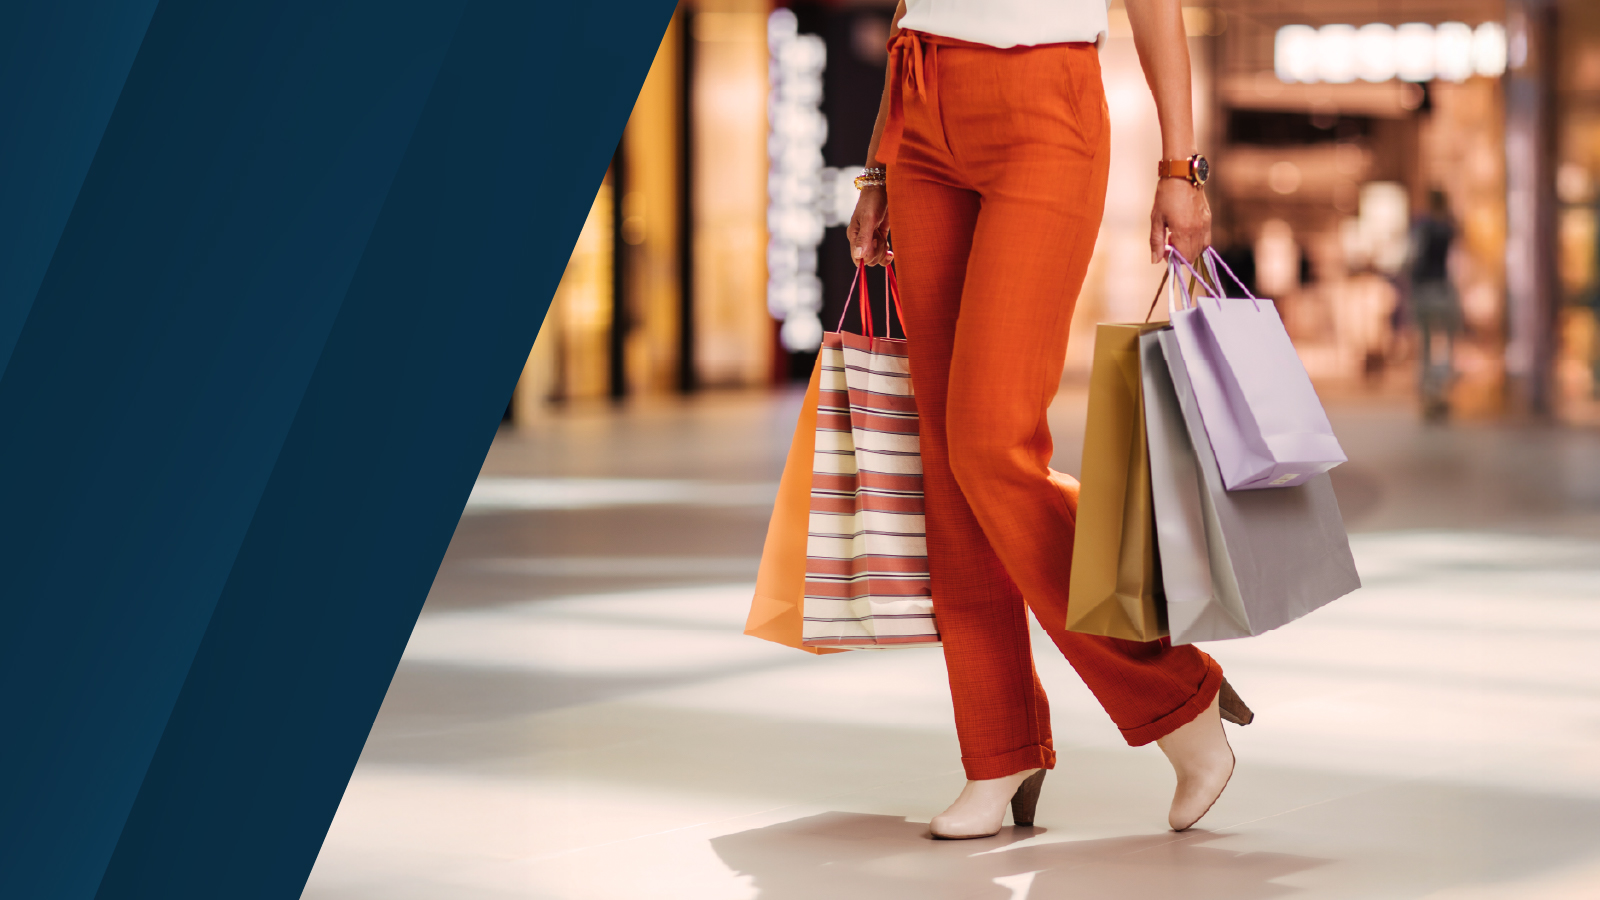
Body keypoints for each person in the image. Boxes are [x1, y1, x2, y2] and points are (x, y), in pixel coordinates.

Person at [845, 0, 1248, 839]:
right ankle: (997, 751)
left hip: (1043, 99)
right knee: (947, 463)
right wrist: (879, 166)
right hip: (920, 103)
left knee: (991, 446)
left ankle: (1176, 696)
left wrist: (1181, 164)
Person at [1405, 190, 1463, 421]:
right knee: (1447, 345)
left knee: (1426, 346)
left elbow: (1411, 257)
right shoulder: (1449, 227)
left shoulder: (1423, 226)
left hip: (1424, 290)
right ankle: (1440, 389)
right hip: (1442, 288)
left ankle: (1429, 392)